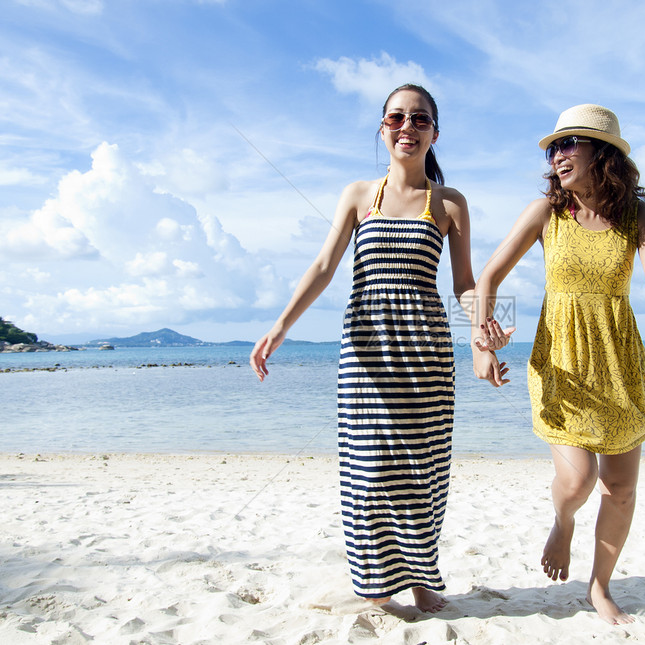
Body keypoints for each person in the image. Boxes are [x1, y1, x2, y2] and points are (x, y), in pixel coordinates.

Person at [472, 104, 645, 624]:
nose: (557, 155)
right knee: (579, 481)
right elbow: (487, 278)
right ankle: (563, 520)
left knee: (621, 489)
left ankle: (599, 587)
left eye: (568, 144)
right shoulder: (545, 214)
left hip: (619, 360)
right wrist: (483, 338)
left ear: (601, 153)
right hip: (561, 361)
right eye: (553, 147)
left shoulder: (637, 217)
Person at [250, 84, 475, 613]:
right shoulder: (357, 195)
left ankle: (421, 578)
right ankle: (375, 583)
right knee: (369, 470)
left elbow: (463, 283)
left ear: (434, 133)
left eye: (420, 119)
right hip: (365, 356)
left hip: (427, 356)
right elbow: (325, 267)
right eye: (397, 117)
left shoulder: (449, 203)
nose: (408, 126)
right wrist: (281, 326)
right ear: (382, 128)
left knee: (424, 469)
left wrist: (484, 326)